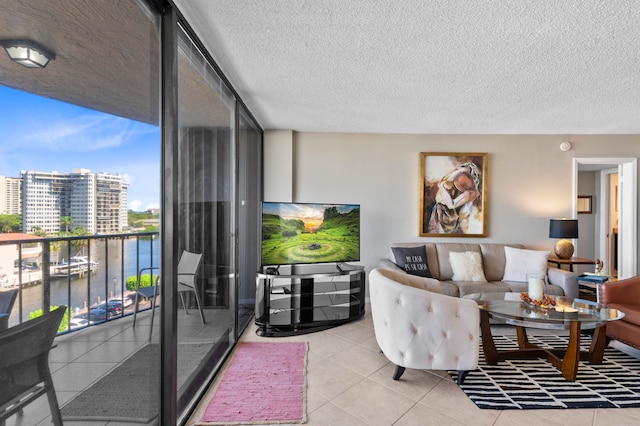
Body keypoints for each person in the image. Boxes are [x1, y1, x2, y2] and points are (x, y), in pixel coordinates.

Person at [428, 162, 481, 234]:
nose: (462, 188)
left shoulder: (470, 193)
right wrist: (461, 171)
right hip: (441, 213)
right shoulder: (451, 182)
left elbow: (451, 205)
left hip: (453, 219)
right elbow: (447, 180)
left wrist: (442, 186)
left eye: (466, 186)